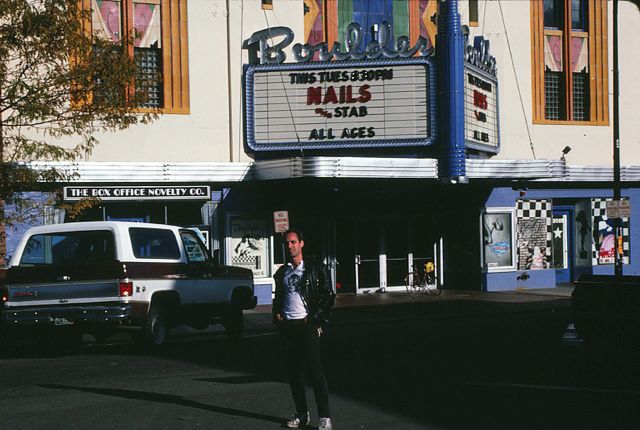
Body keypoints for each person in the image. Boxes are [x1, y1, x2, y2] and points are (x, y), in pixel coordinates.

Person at [273, 229, 335, 430]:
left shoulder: (316, 268)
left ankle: (324, 417)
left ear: (301, 243)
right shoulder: (283, 271)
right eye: (287, 243)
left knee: (316, 373)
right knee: (295, 374)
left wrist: (316, 319)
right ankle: (302, 414)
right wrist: (277, 314)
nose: (289, 246)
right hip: (288, 327)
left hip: (306, 326)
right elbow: (279, 296)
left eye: (293, 242)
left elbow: (328, 295)